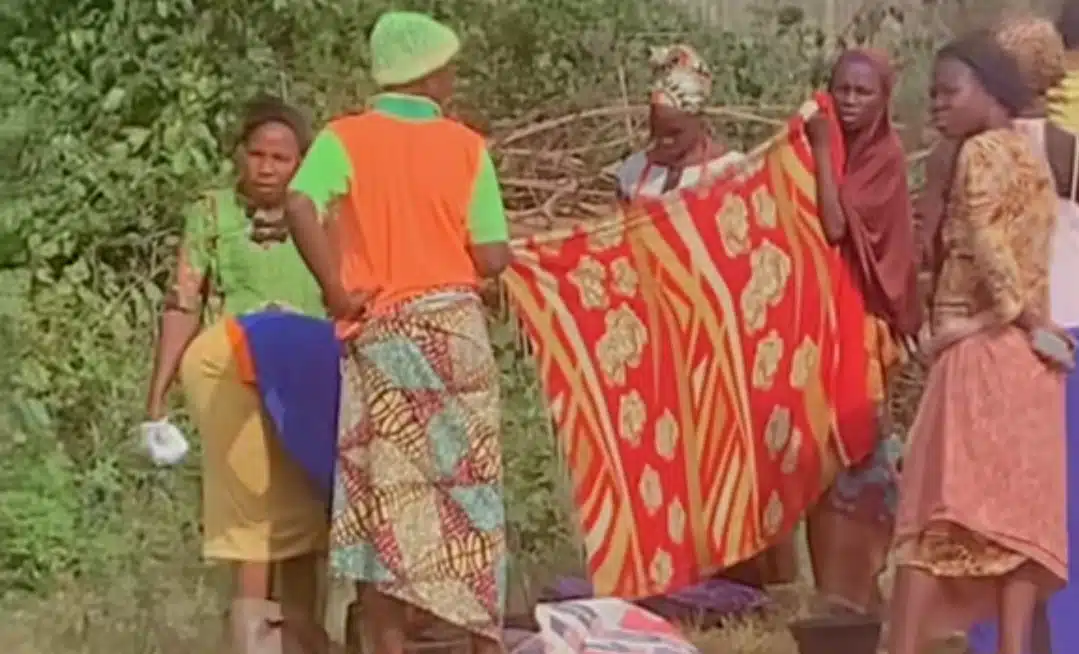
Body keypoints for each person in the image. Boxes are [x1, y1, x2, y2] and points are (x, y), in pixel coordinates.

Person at [281, 11, 512, 654]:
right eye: (448, 70)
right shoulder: (466, 147)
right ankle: (481, 642)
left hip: (382, 333)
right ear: (430, 76)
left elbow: (298, 202)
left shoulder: (344, 138)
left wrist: (335, 288)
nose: (452, 81)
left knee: (386, 498)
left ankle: (387, 644)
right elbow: (492, 255)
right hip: (455, 332)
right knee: (468, 492)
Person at [888, 31, 1069, 654]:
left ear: (989, 89)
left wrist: (1009, 320)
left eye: (949, 92)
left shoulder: (979, 152)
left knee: (936, 513)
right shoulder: (1031, 156)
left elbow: (992, 251)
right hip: (1031, 365)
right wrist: (1038, 328)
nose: (937, 105)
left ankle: (903, 647)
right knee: (1016, 526)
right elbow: (1034, 254)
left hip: (981, 353)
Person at [143, 95, 329, 650]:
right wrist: (158, 397)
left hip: (308, 380)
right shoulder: (211, 213)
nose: (267, 168)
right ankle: (255, 643)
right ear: (239, 155)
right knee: (252, 517)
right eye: (257, 155)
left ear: (302, 163)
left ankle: (303, 638)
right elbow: (183, 302)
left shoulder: (323, 210)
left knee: (308, 520)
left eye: (281, 158)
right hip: (235, 378)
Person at [964, 14, 1079, 654]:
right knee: (1066, 497)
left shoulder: (977, 149)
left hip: (999, 328)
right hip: (1069, 323)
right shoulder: (1067, 148)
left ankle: (996, 636)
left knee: (998, 495)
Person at [801, 47, 921, 615]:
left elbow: (833, 223)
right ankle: (832, 593)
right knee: (823, 461)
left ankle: (859, 591)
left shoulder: (883, 157)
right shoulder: (840, 149)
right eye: (841, 90)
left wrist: (822, 147)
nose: (849, 102)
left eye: (862, 92)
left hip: (864, 329)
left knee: (859, 450)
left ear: (883, 99)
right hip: (827, 326)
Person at [615, 44, 744, 203]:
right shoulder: (632, 172)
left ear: (698, 120)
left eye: (674, 132)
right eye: (657, 129)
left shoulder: (732, 171)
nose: (664, 139)